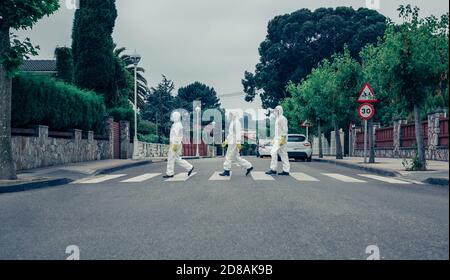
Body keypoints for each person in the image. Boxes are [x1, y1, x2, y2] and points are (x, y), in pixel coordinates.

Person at [219, 111, 253, 177]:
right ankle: (249, 166)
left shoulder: (236, 122)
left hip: (234, 142)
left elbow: (238, 133)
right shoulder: (233, 122)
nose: (230, 116)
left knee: (228, 156)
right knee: (236, 158)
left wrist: (238, 142)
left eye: (231, 114)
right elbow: (230, 134)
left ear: (234, 115)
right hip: (232, 141)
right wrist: (226, 141)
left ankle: (226, 170)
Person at [163, 112, 195, 179]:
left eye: (173, 116)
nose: (172, 117)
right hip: (177, 144)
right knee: (177, 158)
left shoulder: (177, 125)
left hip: (175, 144)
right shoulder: (177, 124)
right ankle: (189, 167)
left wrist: (175, 144)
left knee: (171, 158)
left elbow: (177, 136)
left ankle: (170, 173)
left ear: (176, 117)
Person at [266, 105, 290, 176]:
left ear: (280, 111)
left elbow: (285, 129)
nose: (275, 111)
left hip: (281, 139)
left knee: (273, 152)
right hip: (278, 139)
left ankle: (273, 169)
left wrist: (283, 138)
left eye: (277, 110)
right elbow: (277, 131)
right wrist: (274, 139)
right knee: (283, 154)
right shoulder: (278, 118)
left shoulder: (282, 118)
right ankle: (286, 171)